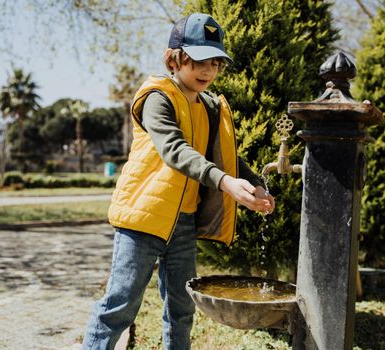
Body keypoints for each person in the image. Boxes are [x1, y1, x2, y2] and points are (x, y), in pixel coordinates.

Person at [82, 13, 275, 350]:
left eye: (215, 63)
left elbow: (226, 159)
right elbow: (175, 150)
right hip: (144, 218)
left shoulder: (210, 107)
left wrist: (256, 184)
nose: (208, 71)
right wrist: (225, 183)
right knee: (120, 306)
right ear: (174, 58)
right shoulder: (158, 96)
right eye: (199, 60)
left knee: (182, 308)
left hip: (183, 224)